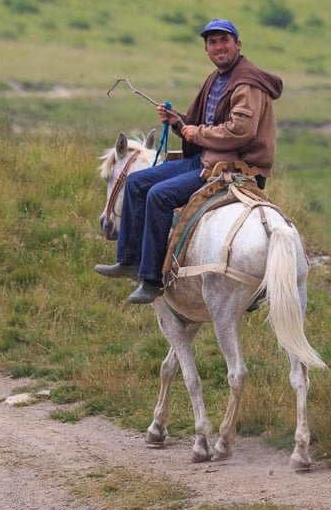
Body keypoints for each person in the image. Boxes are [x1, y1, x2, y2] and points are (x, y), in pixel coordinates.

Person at [94, 18, 284, 304]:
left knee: (159, 195)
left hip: (234, 167)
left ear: (237, 45)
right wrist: (178, 122)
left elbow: (240, 131)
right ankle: (129, 260)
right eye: (212, 42)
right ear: (206, 49)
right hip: (208, 158)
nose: (218, 47)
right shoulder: (217, 78)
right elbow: (199, 125)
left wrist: (198, 132)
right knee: (135, 182)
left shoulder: (247, 83)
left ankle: (152, 279)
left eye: (224, 41)